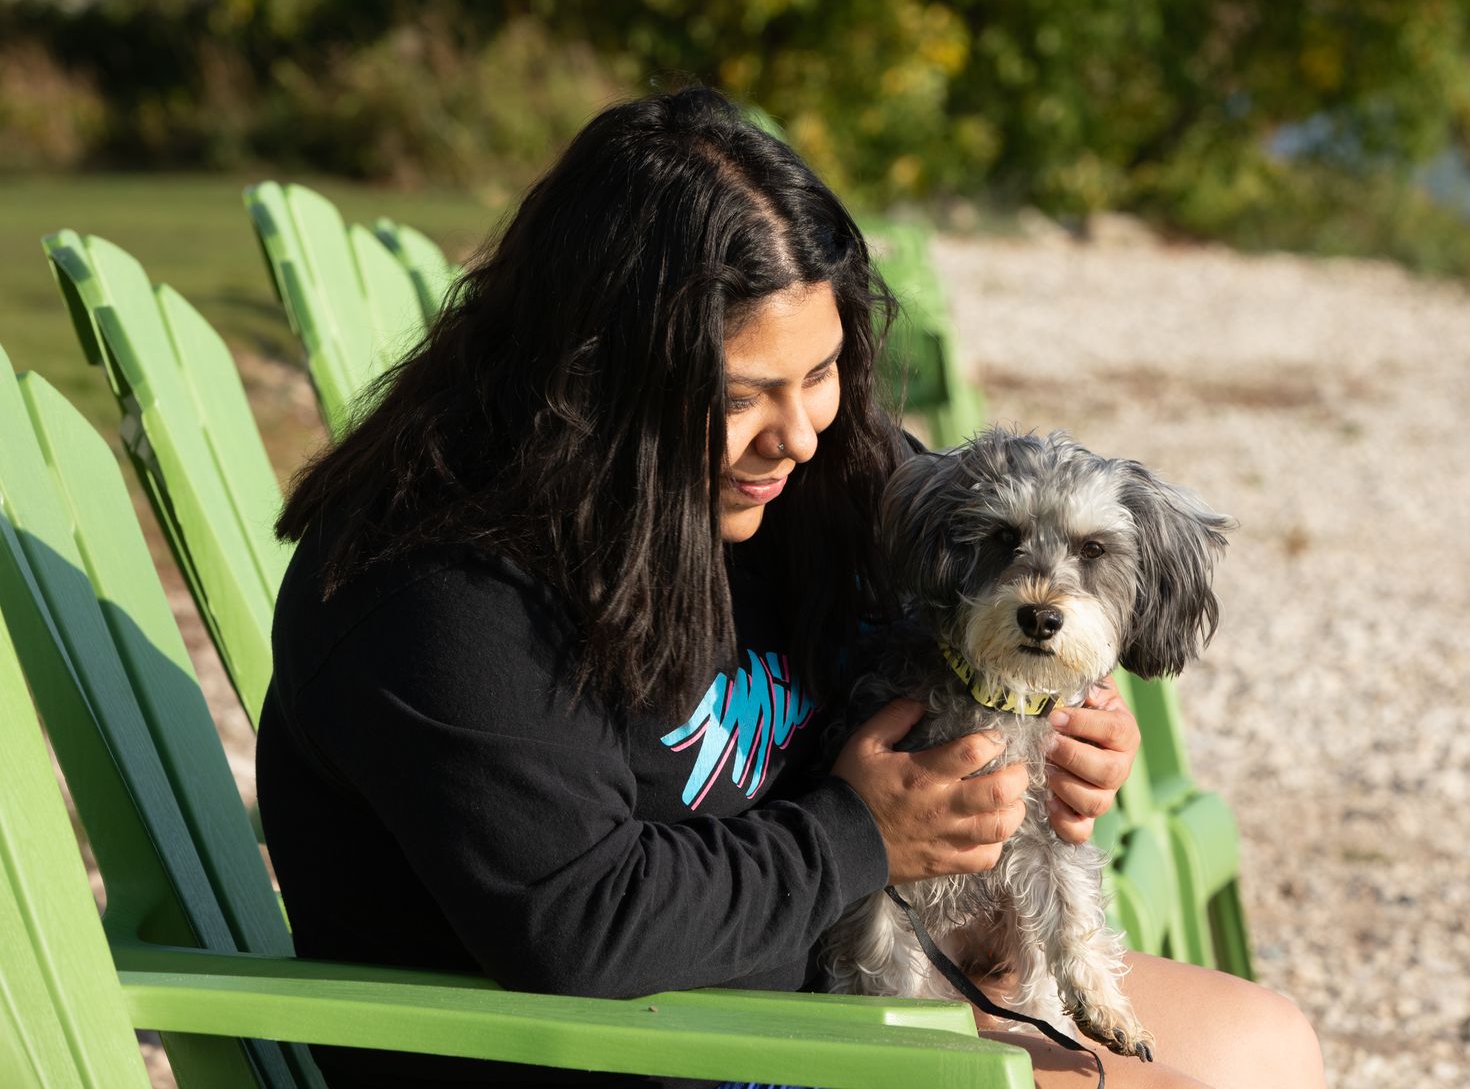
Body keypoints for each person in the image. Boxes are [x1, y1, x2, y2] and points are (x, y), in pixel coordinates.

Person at [255, 87, 1324, 1089]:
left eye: (820, 374)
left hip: (839, 987)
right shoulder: (439, 592)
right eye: (742, 393)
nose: (802, 432)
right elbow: (578, 924)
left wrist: (1048, 727)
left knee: (1269, 1047)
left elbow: (971, 623)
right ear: (592, 378)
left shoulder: (803, 483)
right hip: (636, 1050)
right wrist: (861, 834)